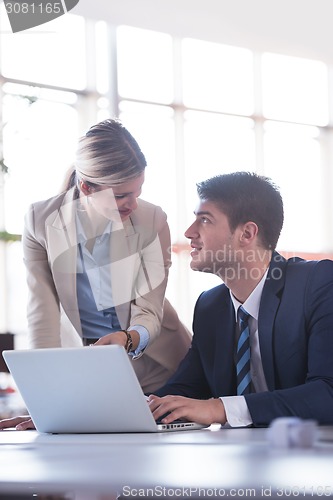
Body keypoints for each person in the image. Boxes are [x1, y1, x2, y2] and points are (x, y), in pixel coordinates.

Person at [146, 171, 333, 428]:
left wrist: (219, 408)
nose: (190, 233)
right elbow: (182, 391)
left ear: (247, 234)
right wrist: (132, 408)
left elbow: (327, 392)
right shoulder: (210, 307)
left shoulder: (318, 284)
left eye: (205, 220)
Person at [16, 118, 191, 391]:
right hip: (90, 371)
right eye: (122, 196)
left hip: (159, 366)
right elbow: (42, 315)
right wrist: (43, 393)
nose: (133, 204)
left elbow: (149, 309)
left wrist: (128, 338)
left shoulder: (152, 220)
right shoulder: (40, 220)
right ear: (87, 187)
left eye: (138, 191)